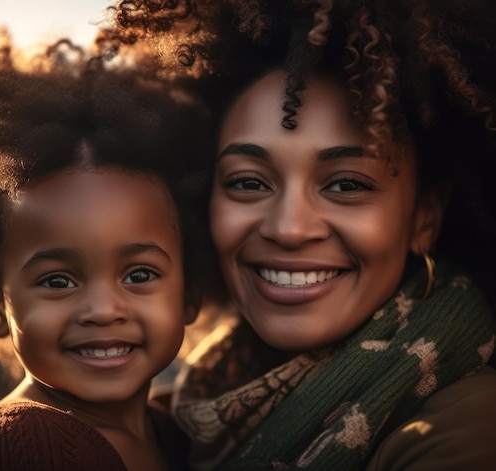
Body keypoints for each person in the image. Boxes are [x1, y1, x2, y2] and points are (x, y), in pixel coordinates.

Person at [95, 0, 496, 469]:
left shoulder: (469, 431)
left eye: (347, 184)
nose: (288, 228)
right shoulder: (181, 419)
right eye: (248, 182)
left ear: (424, 218)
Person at [0, 29, 213, 471]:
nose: (104, 310)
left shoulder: (171, 428)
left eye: (139, 275)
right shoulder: (29, 442)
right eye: (58, 281)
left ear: (191, 292)